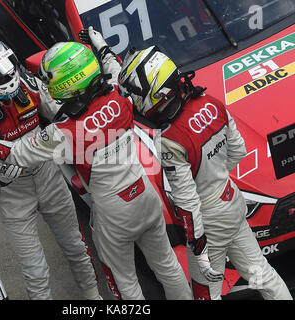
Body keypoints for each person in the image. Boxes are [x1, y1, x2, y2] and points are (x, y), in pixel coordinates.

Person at [0, 28, 192, 300]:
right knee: (168, 266)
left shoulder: (62, 131)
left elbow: (15, 154)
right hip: (144, 195)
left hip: (109, 213)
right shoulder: (117, 95)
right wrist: (102, 49)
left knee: (125, 283)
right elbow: (114, 70)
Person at [118, 46, 293, 300]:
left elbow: (187, 202)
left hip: (208, 223)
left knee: (205, 296)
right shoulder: (212, 102)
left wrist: (198, 246)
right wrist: (216, 177)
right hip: (231, 200)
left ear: (154, 92)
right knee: (263, 275)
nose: (132, 101)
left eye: (133, 94)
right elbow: (239, 150)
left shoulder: (169, 139)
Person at [0, 35, 102, 300]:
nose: (4, 79)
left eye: (6, 70)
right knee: (35, 269)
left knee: (77, 247)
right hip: (15, 197)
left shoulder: (30, 85)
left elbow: (63, 114)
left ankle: (93, 298)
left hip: (50, 177)